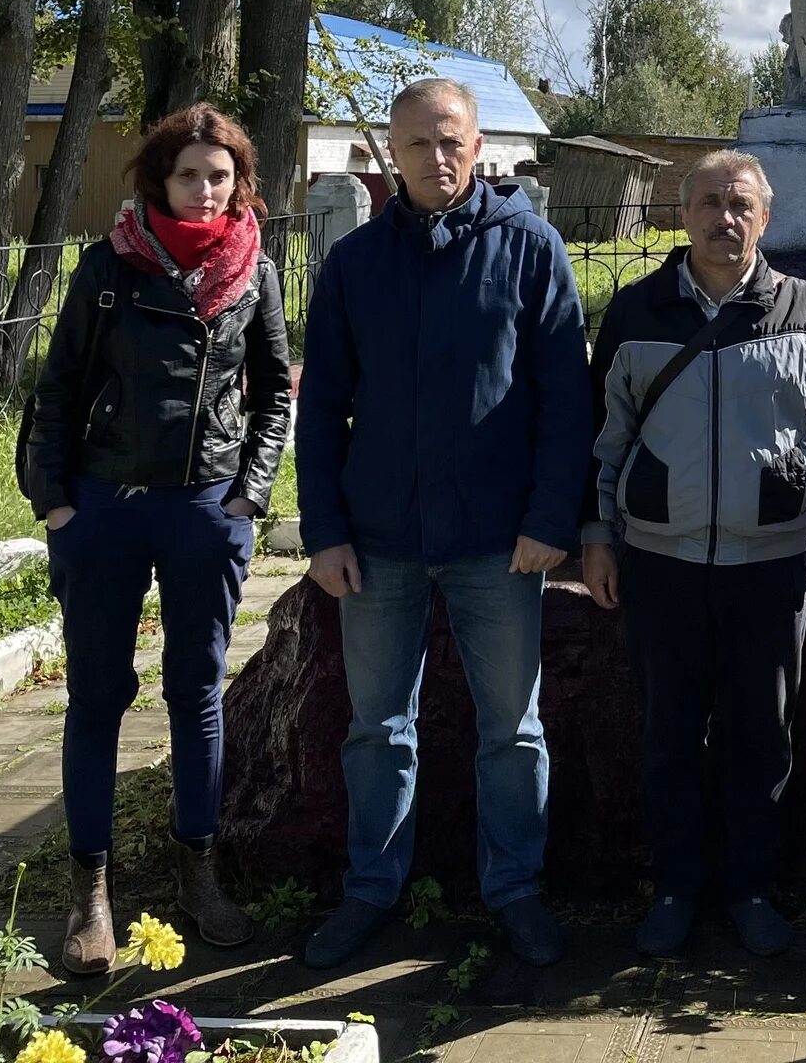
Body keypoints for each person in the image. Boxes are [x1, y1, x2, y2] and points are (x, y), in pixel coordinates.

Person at [293, 77, 591, 971]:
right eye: (418, 143)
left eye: (451, 140)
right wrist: (324, 530)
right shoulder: (354, 264)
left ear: (477, 144)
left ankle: (516, 890)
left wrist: (549, 518)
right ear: (393, 151)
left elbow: (566, 402)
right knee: (377, 726)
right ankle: (370, 890)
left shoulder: (531, 249)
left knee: (514, 729)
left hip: (501, 542)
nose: (436, 157)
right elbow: (323, 409)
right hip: (378, 542)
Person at [581, 151, 806, 959]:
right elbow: (601, 442)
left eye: (741, 203)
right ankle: (676, 887)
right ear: (685, 215)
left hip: (771, 566)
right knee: (669, 733)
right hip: (659, 564)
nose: (725, 217)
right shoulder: (638, 311)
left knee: (761, 736)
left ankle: (750, 887)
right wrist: (597, 537)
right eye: (709, 202)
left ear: (765, 217)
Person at [20, 104, 291, 973]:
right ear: (158, 180)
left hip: (204, 509)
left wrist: (247, 496)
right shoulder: (110, 267)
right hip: (104, 507)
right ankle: (90, 892)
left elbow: (276, 390)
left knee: (196, 691)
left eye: (220, 175)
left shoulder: (254, 271)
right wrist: (56, 502)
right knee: (98, 694)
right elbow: (58, 386)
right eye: (189, 175)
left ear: (237, 182)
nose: (206, 190)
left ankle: (199, 872)